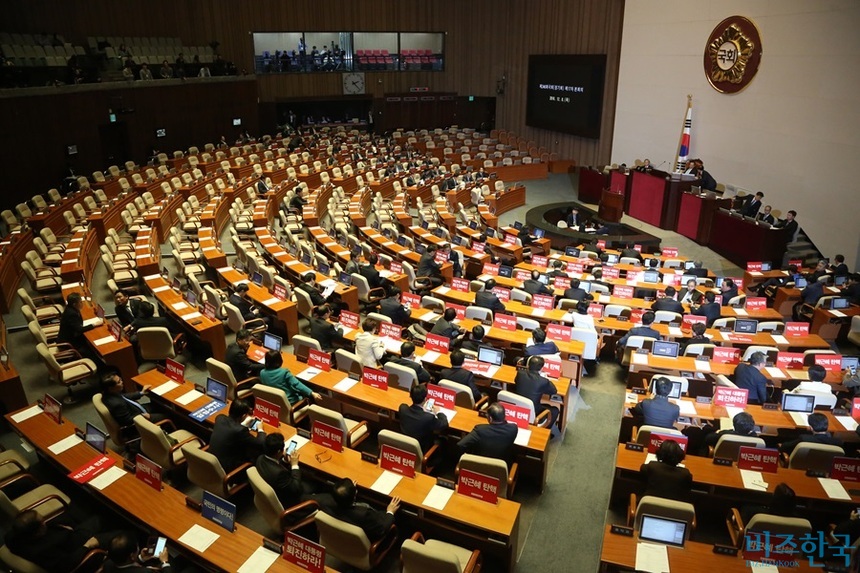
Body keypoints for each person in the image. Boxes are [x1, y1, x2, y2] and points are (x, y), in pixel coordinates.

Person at [5, 510, 119, 573]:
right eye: (42, 522)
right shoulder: (44, 551)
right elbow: (65, 566)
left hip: (70, 537)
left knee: (99, 519)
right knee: (121, 537)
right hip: (80, 548)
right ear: (38, 533)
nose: (45, 521)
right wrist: (87, 546)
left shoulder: (12, 536)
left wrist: (61, 528)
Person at [320, 478, 400, 542]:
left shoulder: (326, 502)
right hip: (367, 542)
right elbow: (381, 530)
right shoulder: (364, 515)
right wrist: (390, 512)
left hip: (340, 540)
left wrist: (348, 490)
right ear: (354, 496)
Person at [255, 433, 314, 508]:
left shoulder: (260, 458)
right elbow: (296, 489)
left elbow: (276, 465)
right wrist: (294, 465)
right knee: (314, 482)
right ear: (279, 451)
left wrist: (285, 461)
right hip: (291, 500)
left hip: (279, 488)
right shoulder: (279, 473)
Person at [209, 399, 266, 472]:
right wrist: (260, 429)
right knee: (258, 453)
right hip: (228, 469)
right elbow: (260, 443)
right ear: (244, 415)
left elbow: (232, 429)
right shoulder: (240, 431)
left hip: (213, 462)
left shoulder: (220, 418)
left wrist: (242, 424)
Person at [100, 371, 165, 426]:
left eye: (120, 379)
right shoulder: (117, 404)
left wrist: (141, 393)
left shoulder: (108, 394)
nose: (122, 382)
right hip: (141, 419)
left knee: (161, 405)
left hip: (136, 409)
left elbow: (124, 396)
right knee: (168, 415)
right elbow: (127, 421)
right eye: (119, 382)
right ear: (111, 388)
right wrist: (142, 416)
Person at [513, 356, 559, 430]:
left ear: (528, 365)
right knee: (554, 410)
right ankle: (544, 433)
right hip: (533, 412)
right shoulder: (543, 381)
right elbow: (554, 391)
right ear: (541, 368)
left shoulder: (520, 373)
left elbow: (516, 382)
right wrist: (545, 378)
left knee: (546, 405)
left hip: (518, 408)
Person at [398, 383, 448, 451]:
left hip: (404, 444)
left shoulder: (403, 409)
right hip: (421, 448)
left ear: (411, 396)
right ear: (425, 399)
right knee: (443, 440)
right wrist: (438, 412)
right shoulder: (428, 417)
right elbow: (444, 424)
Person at [104, 532, 170, 572]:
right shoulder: (145, 572)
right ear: (132, 555)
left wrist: (140, 558)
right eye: (137, 546)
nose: (138, 548)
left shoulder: (107, 564)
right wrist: (165, 562)